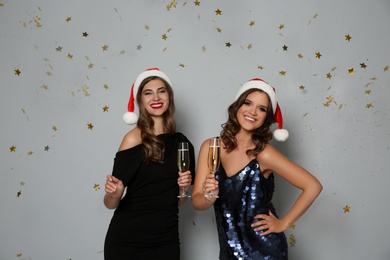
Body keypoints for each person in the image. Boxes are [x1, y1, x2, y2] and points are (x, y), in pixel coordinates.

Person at [192, 78, 322, 259]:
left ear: (266, 117)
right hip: (229, 251)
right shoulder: (211, 147)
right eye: (248, 103)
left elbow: (313, 186)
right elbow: (197, 202)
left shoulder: (264, 154)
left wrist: (283, 223)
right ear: (237, 106)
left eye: (261, 109)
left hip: (264, 252)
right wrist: (209, 197)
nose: (252, 112)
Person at [103, 68, 195, 260]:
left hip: (166, 239)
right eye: (148, 93)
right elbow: (110, 203)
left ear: (169, 96)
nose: (156, 97)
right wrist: (116, 193)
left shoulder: (183, 144)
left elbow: (180, 201)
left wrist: (184, 188)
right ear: (140, 101)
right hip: (126, 240)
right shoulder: (133, 139)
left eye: (161, 91)